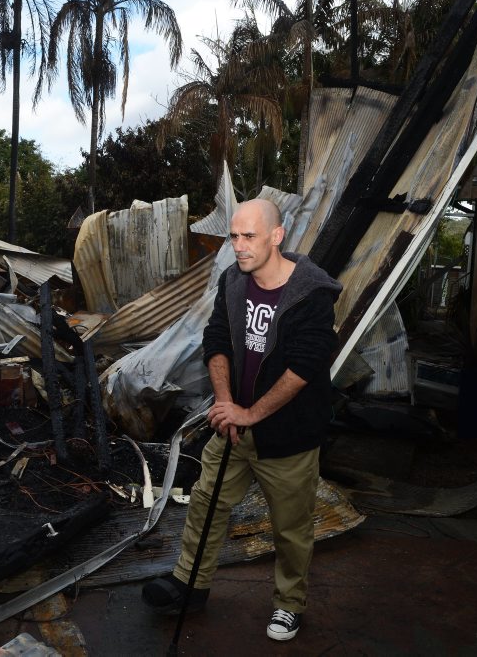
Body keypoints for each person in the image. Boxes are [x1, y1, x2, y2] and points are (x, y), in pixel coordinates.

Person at [141, 198, 341, 641]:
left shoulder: (313, 292)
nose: (239, 246)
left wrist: (250, 412)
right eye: (234, 236)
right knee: (206, 505)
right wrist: (228, 403)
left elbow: (305, 367)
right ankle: (190, 584)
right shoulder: (233, 282)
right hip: (234, 428)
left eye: (249, 236)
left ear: (276, 236)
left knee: (290, 528)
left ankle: (289, 604)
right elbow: (216, 340)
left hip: (287, 437)